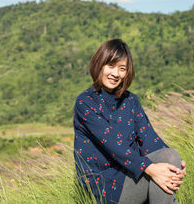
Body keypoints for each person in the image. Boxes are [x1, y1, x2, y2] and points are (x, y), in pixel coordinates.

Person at [73, 39, 186, 204]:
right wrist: (150, 168)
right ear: (99, 65)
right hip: (104, 185)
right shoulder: (85, 102)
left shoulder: (131, 100)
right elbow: (113, 144)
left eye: (122, 68)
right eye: (110, 66)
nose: (116, 73)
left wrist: (176, 166)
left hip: (130, 172)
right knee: (164, 170)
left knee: (170, 158)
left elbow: (150, 139)